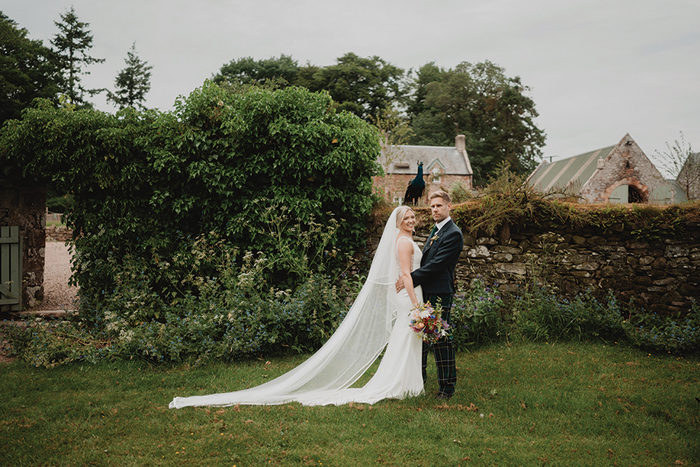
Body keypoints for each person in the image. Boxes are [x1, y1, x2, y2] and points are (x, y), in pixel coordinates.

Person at [169, 206, 424, 408]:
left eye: (413, 216)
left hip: (410, 295)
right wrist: (416, 306)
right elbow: (406, 274)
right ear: (398, 222)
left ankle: (407, 384)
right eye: (406, 218)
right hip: (409, 298)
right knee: (404, 338)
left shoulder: (403, 240)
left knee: (406, 339)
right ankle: (398, 384)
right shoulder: (402, 242)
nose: (411, 220)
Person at [397, 190, 463, 399]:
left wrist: (410, 278)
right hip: (428, 291)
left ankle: (447, 388)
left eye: (439, 206)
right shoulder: (437, 230)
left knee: (442, 338)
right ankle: (419, 381)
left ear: (449, 206)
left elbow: (436, 265)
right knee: (424, 337)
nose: (434, 210)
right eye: (432, 206)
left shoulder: (452, 233)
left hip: (440, 292)